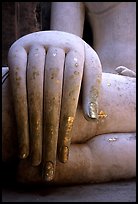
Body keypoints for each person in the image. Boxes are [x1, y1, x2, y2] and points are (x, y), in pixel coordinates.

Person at [2, 2, 136, 184]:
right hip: (102, 89)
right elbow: (65, 44)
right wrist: (60, 45)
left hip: (120, 100)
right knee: (28, 98)